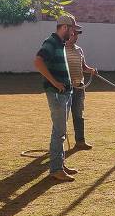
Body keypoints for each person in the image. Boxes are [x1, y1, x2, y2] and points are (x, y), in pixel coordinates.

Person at [34, 14, 81, 182]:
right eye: (72, 29)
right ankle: (55, 169)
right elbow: (38, 62)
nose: (73, 33)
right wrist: (54, 82)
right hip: (57, 94)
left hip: (65, 93)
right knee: (59, 132)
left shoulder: (60, 44)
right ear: (65, 28)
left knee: (60, 131)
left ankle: (59, 164)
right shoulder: (51, 42)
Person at [65, 26, 97, 150]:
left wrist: (91, 70)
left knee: (79, 115)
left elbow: (83, 67)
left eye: (77, 34)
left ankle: (80, 141)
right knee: (63, 117)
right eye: (74, 34)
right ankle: (58, 145)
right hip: (66, 88)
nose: (76, 37)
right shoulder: (61, 50)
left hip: (79, 87)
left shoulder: (79, 50)